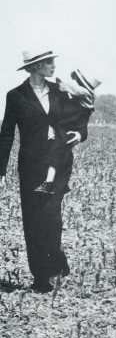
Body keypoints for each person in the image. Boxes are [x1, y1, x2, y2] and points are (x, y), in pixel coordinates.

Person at [0, 51, 88, 293]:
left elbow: (81, 114)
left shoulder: (60, 91)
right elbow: (7, 132)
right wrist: (1, 169)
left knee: (51, 217)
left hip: (59, 162)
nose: (53, 66)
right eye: (49, 62)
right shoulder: (16, 96)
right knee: (33, 219)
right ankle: (41, 277)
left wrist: (80, 133)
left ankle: (54, 263)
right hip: (31, 166)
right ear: (36, 66)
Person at [34, 69, 101, 195]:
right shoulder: (84, 98)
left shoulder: (82, 93)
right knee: (59, 152)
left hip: (69, 130)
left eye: (77, 80)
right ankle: (57, 184)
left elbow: (63, 83)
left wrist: (61, 82)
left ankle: (49, 183)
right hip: (69, 130)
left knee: (56, 152)